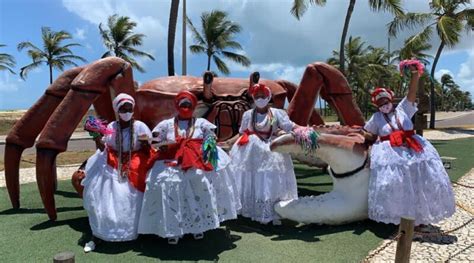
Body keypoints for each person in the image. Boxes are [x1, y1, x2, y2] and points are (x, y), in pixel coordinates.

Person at [138, 90, 239, 245]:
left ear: (193, 106)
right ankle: (173, 229)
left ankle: (198, 227)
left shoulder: (202, 123)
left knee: (199, 185)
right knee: (169, 187)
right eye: (182, 104)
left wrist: (209, 142)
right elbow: (156, 140)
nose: (185, 107)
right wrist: (156, 143)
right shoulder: (166, 124)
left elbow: (211, 136)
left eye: (188, 104)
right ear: (177, 105)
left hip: (196, 159)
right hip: (171, 159)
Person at [364, 62, 455, 227]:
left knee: (420, 181)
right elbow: (368, 132)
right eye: (380, 103)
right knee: (397, 185)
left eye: (386, 100)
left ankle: (419, 218)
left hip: (414, 148)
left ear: (390, 99)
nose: (384, 104)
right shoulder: (376, 118)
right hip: (391, 155)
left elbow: (412, 93)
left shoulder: (402, 109)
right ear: (376, 105)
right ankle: (400, 218)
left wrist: (414, 74)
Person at [81, 93, 152, 252]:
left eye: (129, 108)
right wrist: (96, 136)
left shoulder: (140, 126)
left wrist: (145, 143)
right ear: (117, 110)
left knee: (132, 195)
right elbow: (103, 147)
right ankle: (100, 233)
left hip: (136, 162)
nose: (127, 111)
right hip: (113, 160)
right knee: (104, 194)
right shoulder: (112, 127)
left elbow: (149, 148)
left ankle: (138, 232)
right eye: (123, 109)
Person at [228, 83, 300, 225]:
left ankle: (274, 210)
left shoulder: (277, 113)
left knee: (270, 178)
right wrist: (227, 143)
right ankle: (253, 209)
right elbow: (242, 132)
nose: (260, 98)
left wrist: (301, 130)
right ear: (253, 98)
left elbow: (289, 126)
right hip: (251, 152)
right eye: (257, 96)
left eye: (263, 95)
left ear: (269, 97)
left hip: (272, 150)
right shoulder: (248, 114)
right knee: (252, 178)